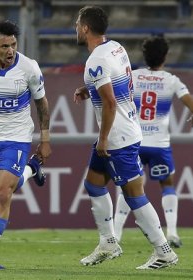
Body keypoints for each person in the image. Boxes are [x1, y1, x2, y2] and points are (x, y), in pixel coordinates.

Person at [73, 6, 178, 269]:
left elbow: (109, 103)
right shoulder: (116, 48)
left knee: (134, 194)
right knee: (94, 184)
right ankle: (108, 241)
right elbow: (113, 83)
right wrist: (89, 89)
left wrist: (104, 139)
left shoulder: (95, 60)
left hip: (118, 137)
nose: (75, 28)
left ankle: (163, 251)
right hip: (127, 127)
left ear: (85, 28)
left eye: (77, 24)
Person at [0, 19, 52, 271]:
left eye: (13, 45)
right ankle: (31, 169)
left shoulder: (29, 67)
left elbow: (42, 105)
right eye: (4, 46)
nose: (10, 50)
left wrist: (45, 139)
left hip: (17, 137)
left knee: (4, 195)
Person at [114, 36, 193, 248]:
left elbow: (114, 97)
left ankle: (116, 234)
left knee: (127, 187)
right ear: (165, 56)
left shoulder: (133, 76)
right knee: (167, 185)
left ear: (144, 55)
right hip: (159, 144)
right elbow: (190, 102)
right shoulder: (171, 80)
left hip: (134, 142)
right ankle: (173, 233)